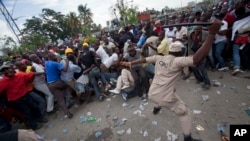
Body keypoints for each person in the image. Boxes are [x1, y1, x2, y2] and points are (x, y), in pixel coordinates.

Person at [121, 19, 222, 141]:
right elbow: (196, 59)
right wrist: (212, 34)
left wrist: (130, 63)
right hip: (163, 97)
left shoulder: (159, 58)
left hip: (152, 93)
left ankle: (157, 107)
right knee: (184, 112)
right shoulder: (177, 61)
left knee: (171, 90)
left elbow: (144, 60)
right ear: (180, 52)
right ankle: (188, 138)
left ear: (169, 51)